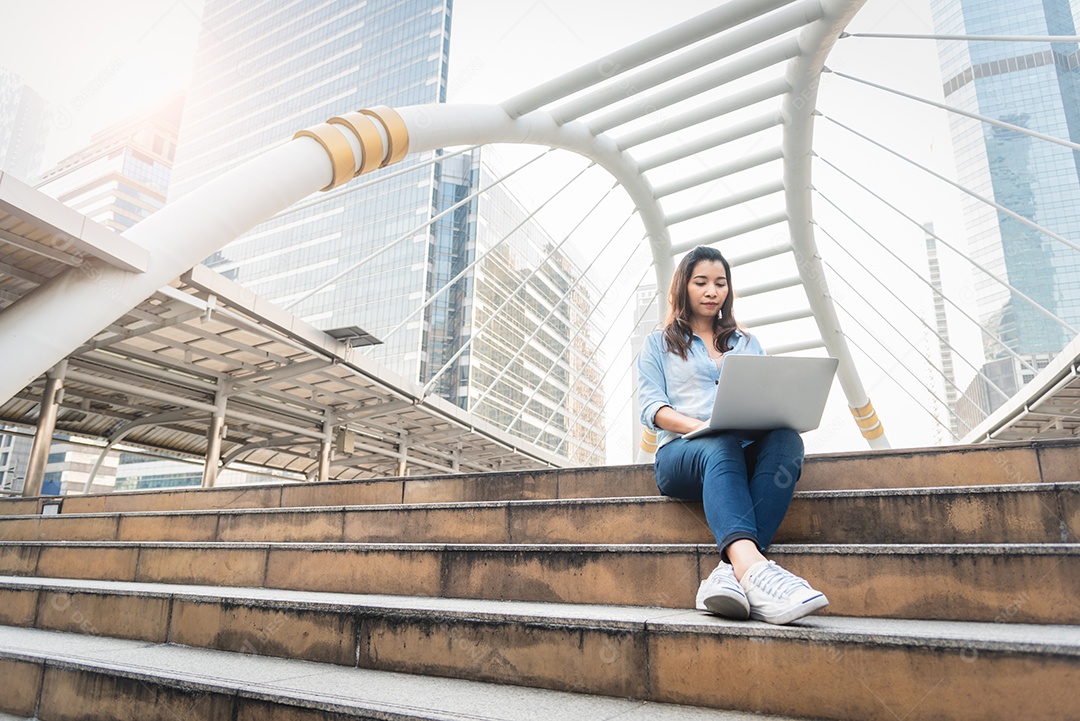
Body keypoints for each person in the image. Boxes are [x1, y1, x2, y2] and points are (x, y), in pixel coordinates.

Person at [637, 245, 828, 625]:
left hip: (740, 450)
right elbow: (652, 410)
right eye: (701, 282)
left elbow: (767, 395)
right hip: (681, 456)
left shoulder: (745, 342)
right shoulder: (658, 343)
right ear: (683, 287)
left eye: (720, 283)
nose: (712, 291)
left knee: (787, 441)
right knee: (719, 443)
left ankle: (731, 571)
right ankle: (758, 572)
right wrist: (703, 427)